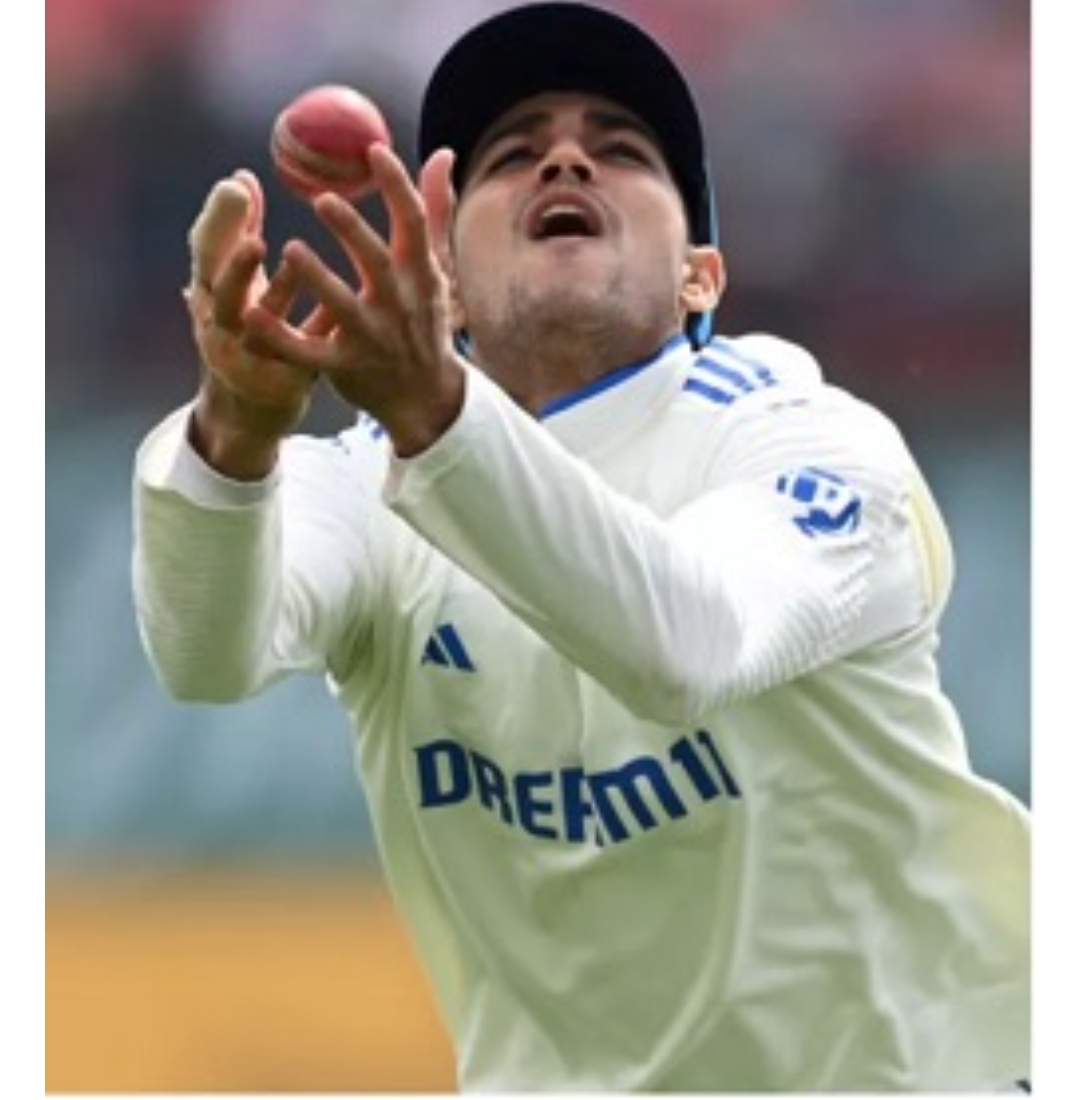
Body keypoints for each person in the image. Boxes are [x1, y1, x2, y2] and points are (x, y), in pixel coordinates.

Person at [130, 1, 1031, 1092]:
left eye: (621, 150)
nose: (564, 160)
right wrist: (233, 433)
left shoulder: (806, 439)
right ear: (446, 276)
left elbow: (688, 646)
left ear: (701, 276)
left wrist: (436, 412)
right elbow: (205, 655)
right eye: (513, 154)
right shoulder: (370, 478)